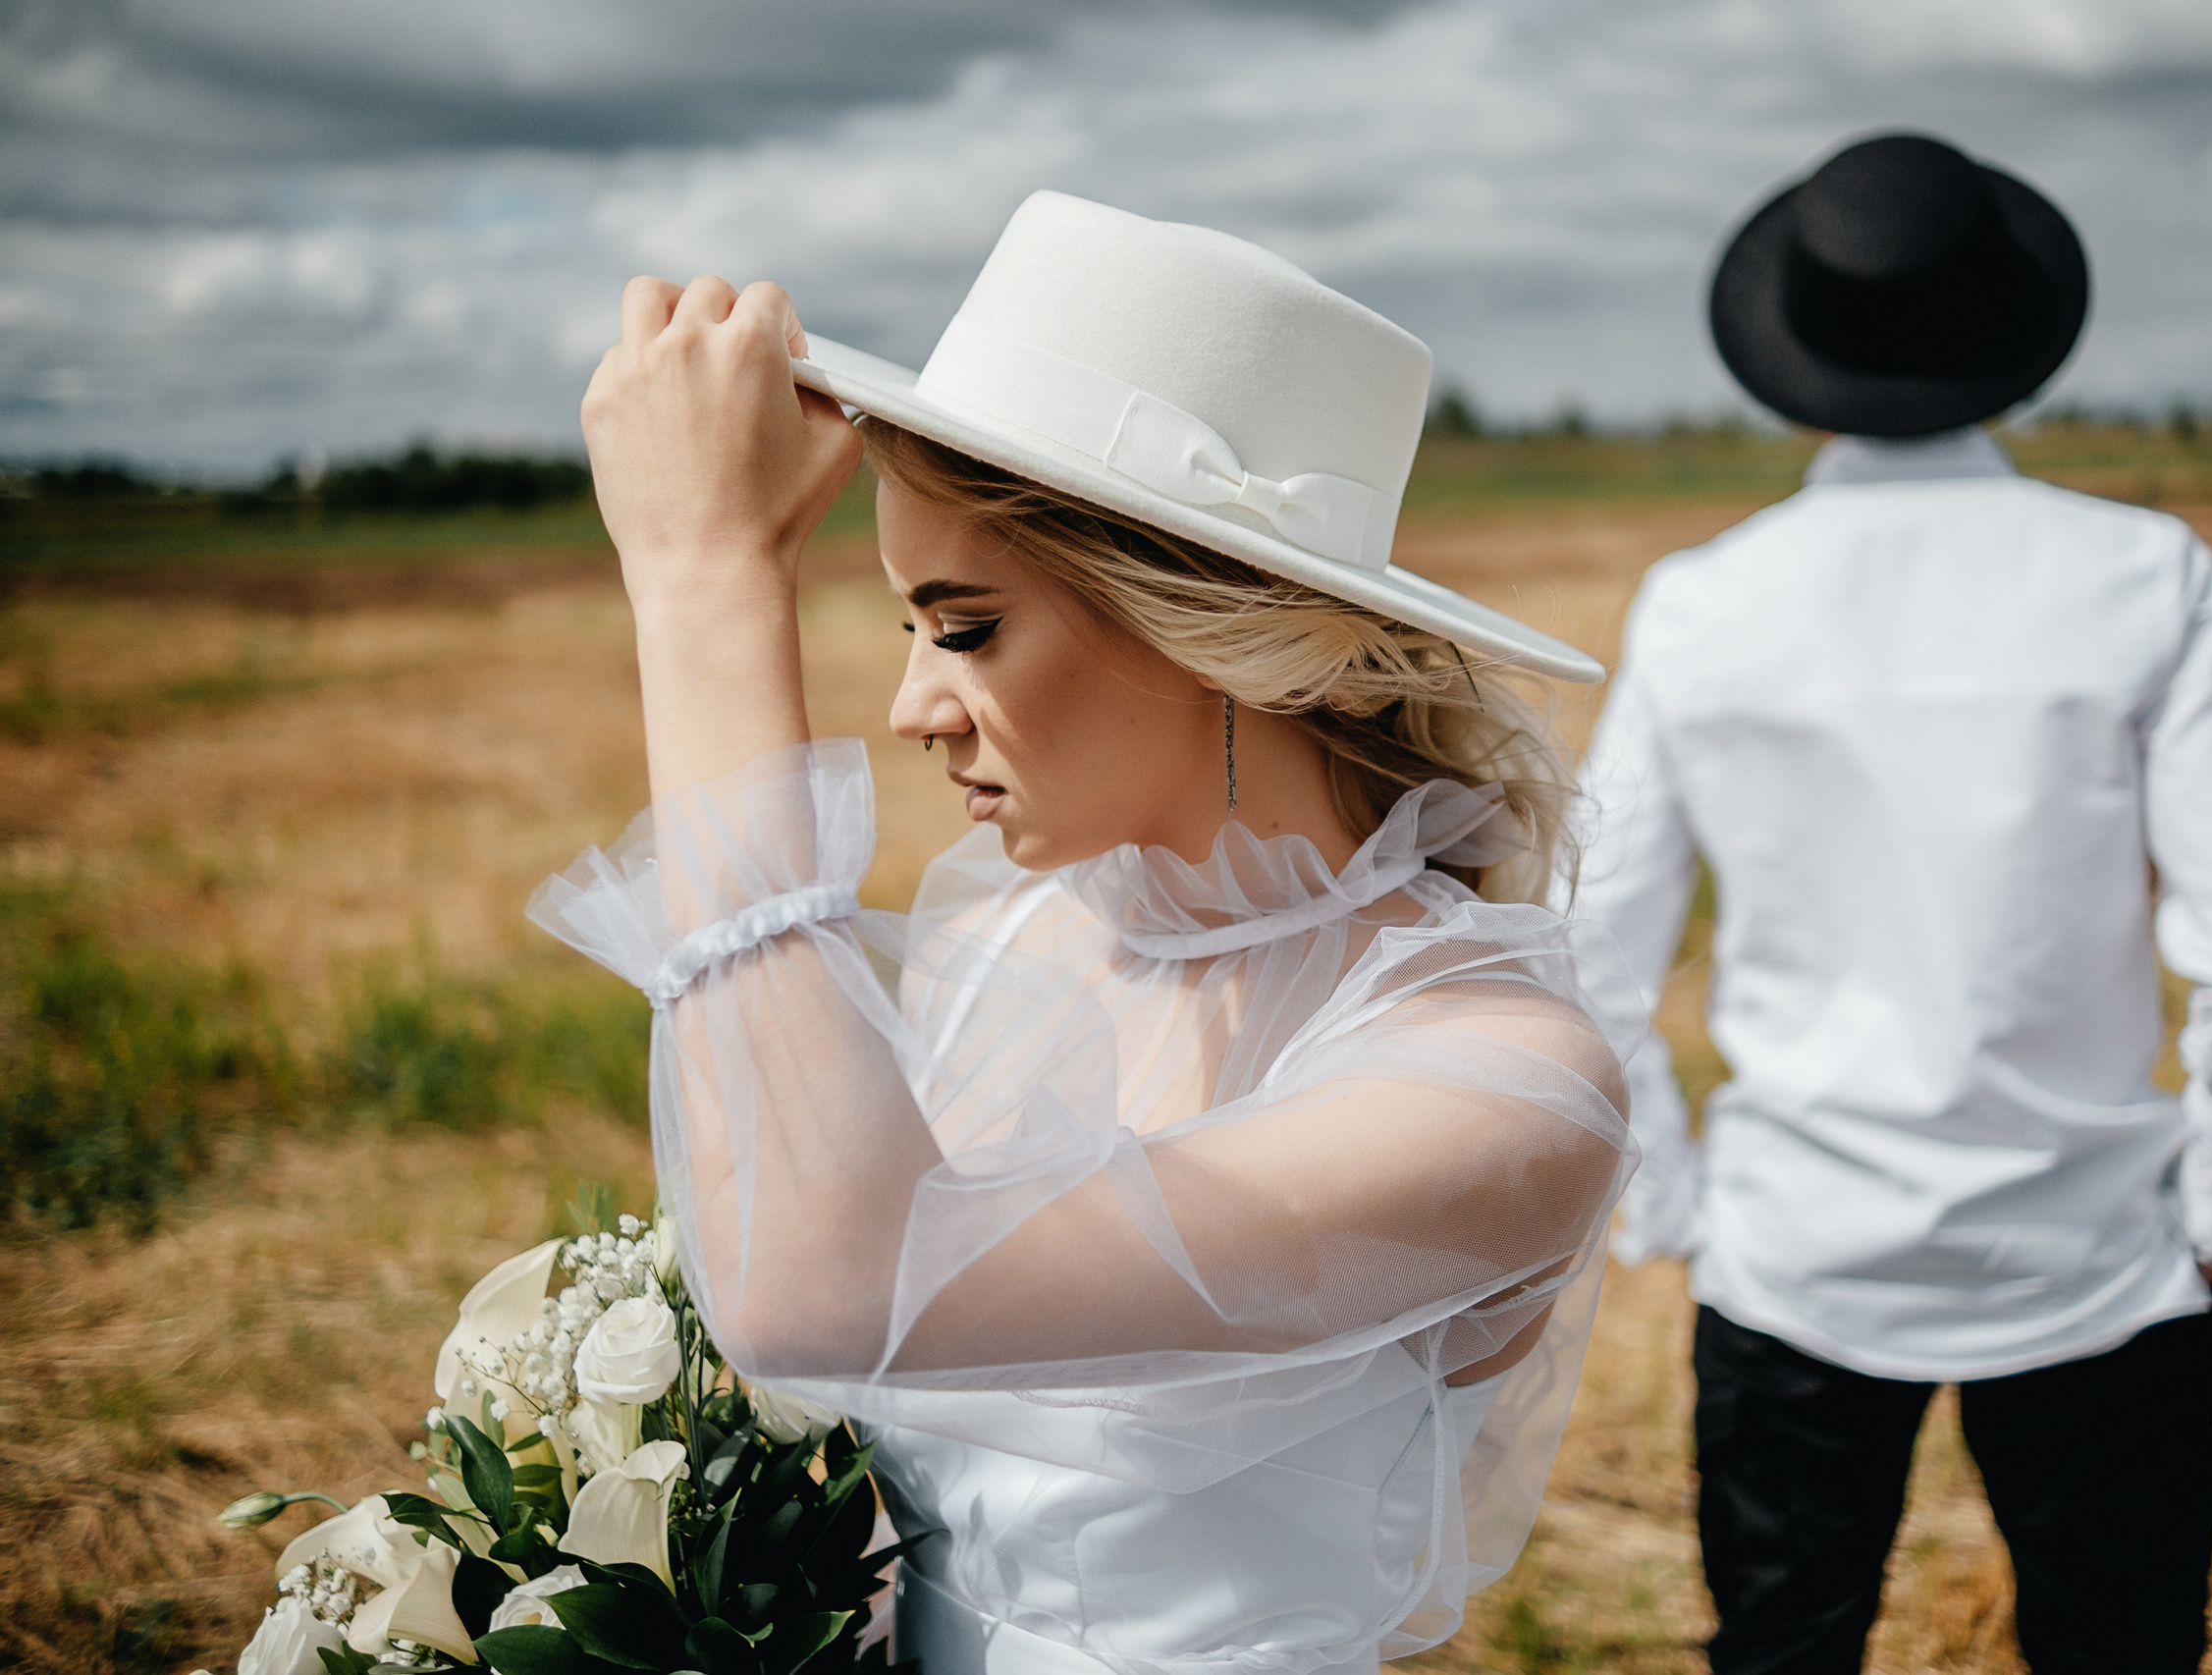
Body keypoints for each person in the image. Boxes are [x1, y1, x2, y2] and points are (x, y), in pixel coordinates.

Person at [532, 190, 1640, 1675]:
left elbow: (820, 1286)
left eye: (968, 625)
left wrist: (702, 584)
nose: (915, 708)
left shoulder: (1500, 1083)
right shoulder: (1008, 944)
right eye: (904, 627)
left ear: (1210, 626)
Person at [1573, 134, 2212, 1673]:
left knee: (1783, 1650)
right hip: (2100, 1260)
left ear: (1797, 342)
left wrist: (1675, 1208)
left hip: (1793, 1258)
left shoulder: (1703, 601)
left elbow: (1589, 958)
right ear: (2008, 333)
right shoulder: (2147, 575)